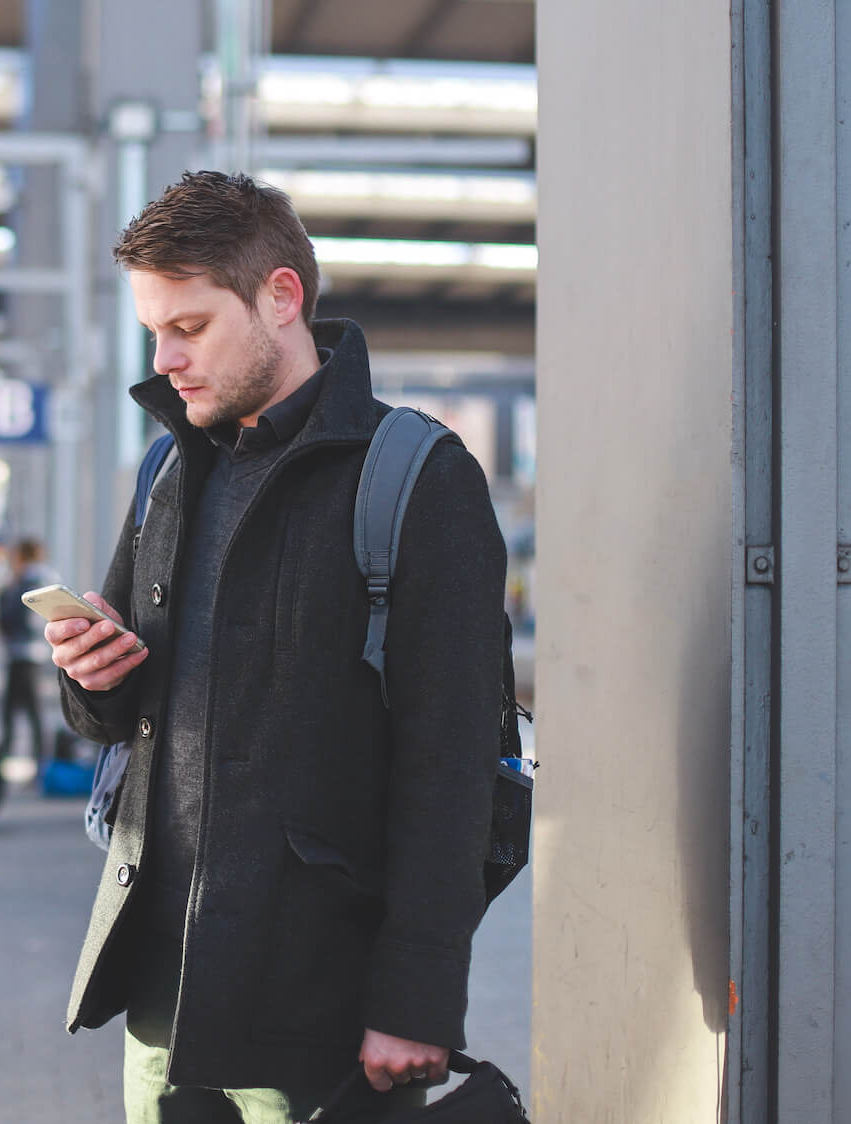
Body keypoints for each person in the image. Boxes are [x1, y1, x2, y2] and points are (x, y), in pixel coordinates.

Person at [46, 171, 508, 1122]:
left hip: (315, 1018)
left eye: (191, 326)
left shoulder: (418, 478)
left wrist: (416, 1002)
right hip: (160, 1005)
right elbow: (123, 716)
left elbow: (453, 765)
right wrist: (89, 678)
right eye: (153, 332)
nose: (166, 358)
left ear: (281, 297)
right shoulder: (170, 467)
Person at [0, 538, 53, 770]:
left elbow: (27, 619)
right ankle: (32, 763)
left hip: (27, 653)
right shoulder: (38, 579)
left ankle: (34, 764)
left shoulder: (31, 580)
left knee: (26, 711)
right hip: (26, 653)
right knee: (26, 711)